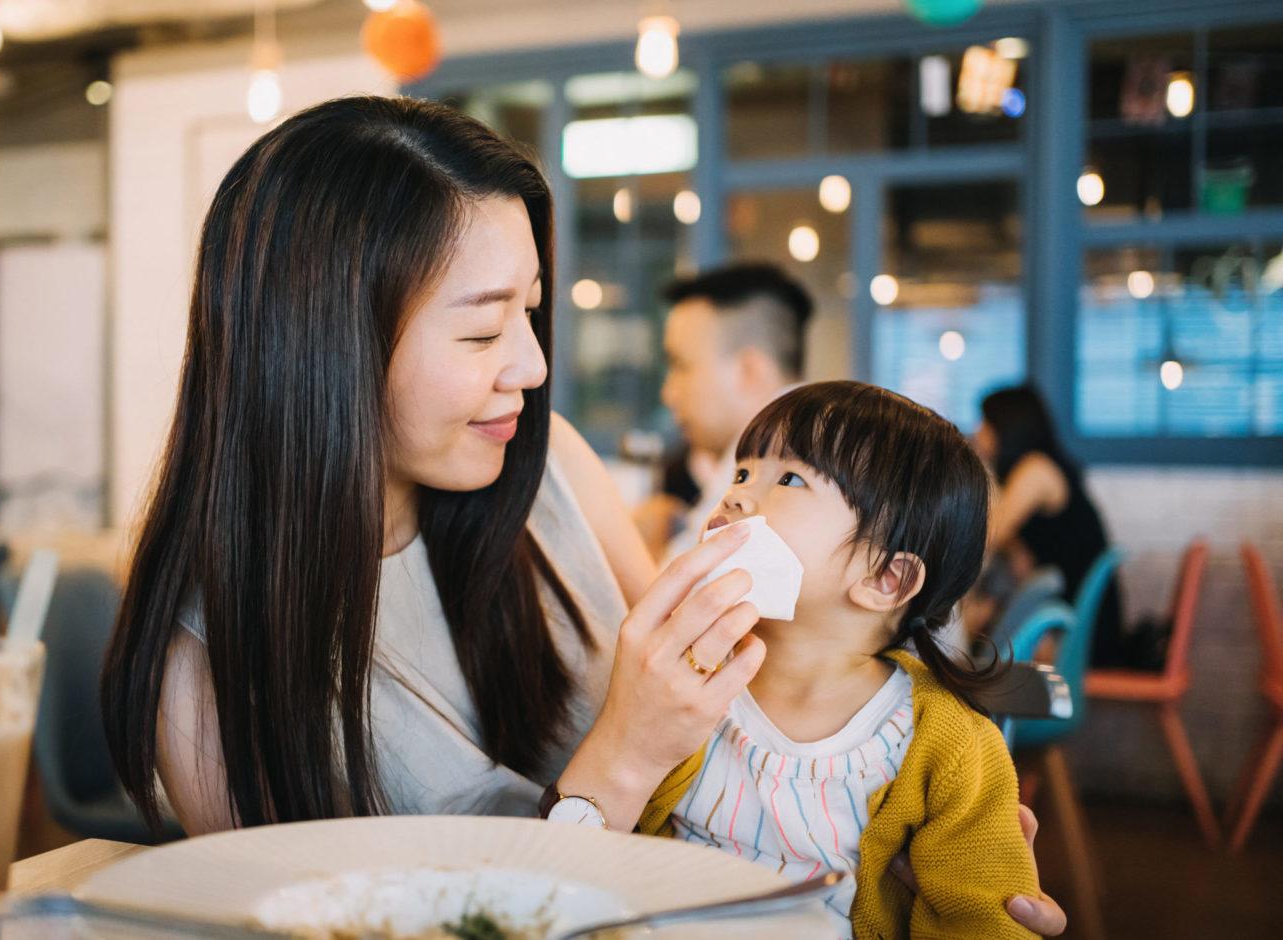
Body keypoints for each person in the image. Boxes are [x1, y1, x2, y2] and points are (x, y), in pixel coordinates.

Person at [97, 96, 1065, 935]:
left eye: (532, 311)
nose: (530, 364)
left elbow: (739, 723)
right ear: (319, 343)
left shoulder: (546, 461)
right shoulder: (209, 653)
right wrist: (622, 758)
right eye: (481, 327)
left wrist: (888, 829)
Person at [640, 382, 1037, 938]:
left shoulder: (947, 743)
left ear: (885, 578)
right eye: (742, 473)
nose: (734, 497)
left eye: (790, 479)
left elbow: (982, 919)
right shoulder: (682, 679)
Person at [634, 264, 814, 562]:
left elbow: (679, 591)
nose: (668, 393)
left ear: (748, 371)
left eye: (681, 365)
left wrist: (641, 539)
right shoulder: (797, 442)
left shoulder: (771, 451)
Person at [974, 386, 1125, 666]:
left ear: (1005, 427)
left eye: (984, 422)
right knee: (981, 618)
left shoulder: (1036, 469)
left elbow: (987, 536)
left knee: (976, 626)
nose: (977, 432)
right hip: (1070, 617)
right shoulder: (1042, 465)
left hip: (1075, 632)